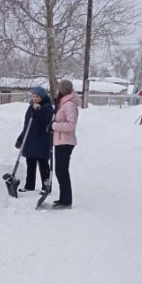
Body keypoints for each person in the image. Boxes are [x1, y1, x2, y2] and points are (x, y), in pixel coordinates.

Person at [14, 86, 54, 194]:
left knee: (43, 165)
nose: (35, 98)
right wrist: (20, 139)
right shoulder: (31, 107)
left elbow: (48, 123)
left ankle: (46, 186)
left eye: (37, 97)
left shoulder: (47, 108)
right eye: (33, 96)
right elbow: (27, 126)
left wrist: (38, 111)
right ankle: (29, 186)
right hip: (30, 142)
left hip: (42, 142)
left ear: (42, 97)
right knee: (30, 165)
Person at [51, 79, 79, 209]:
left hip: (66, 142)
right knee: (60, 171)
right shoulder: (63, 103)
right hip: (60, 141)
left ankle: (67, 201)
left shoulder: (69, 105)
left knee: (62, 171)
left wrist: (54, 126)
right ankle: (63, 199)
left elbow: (71, 125)